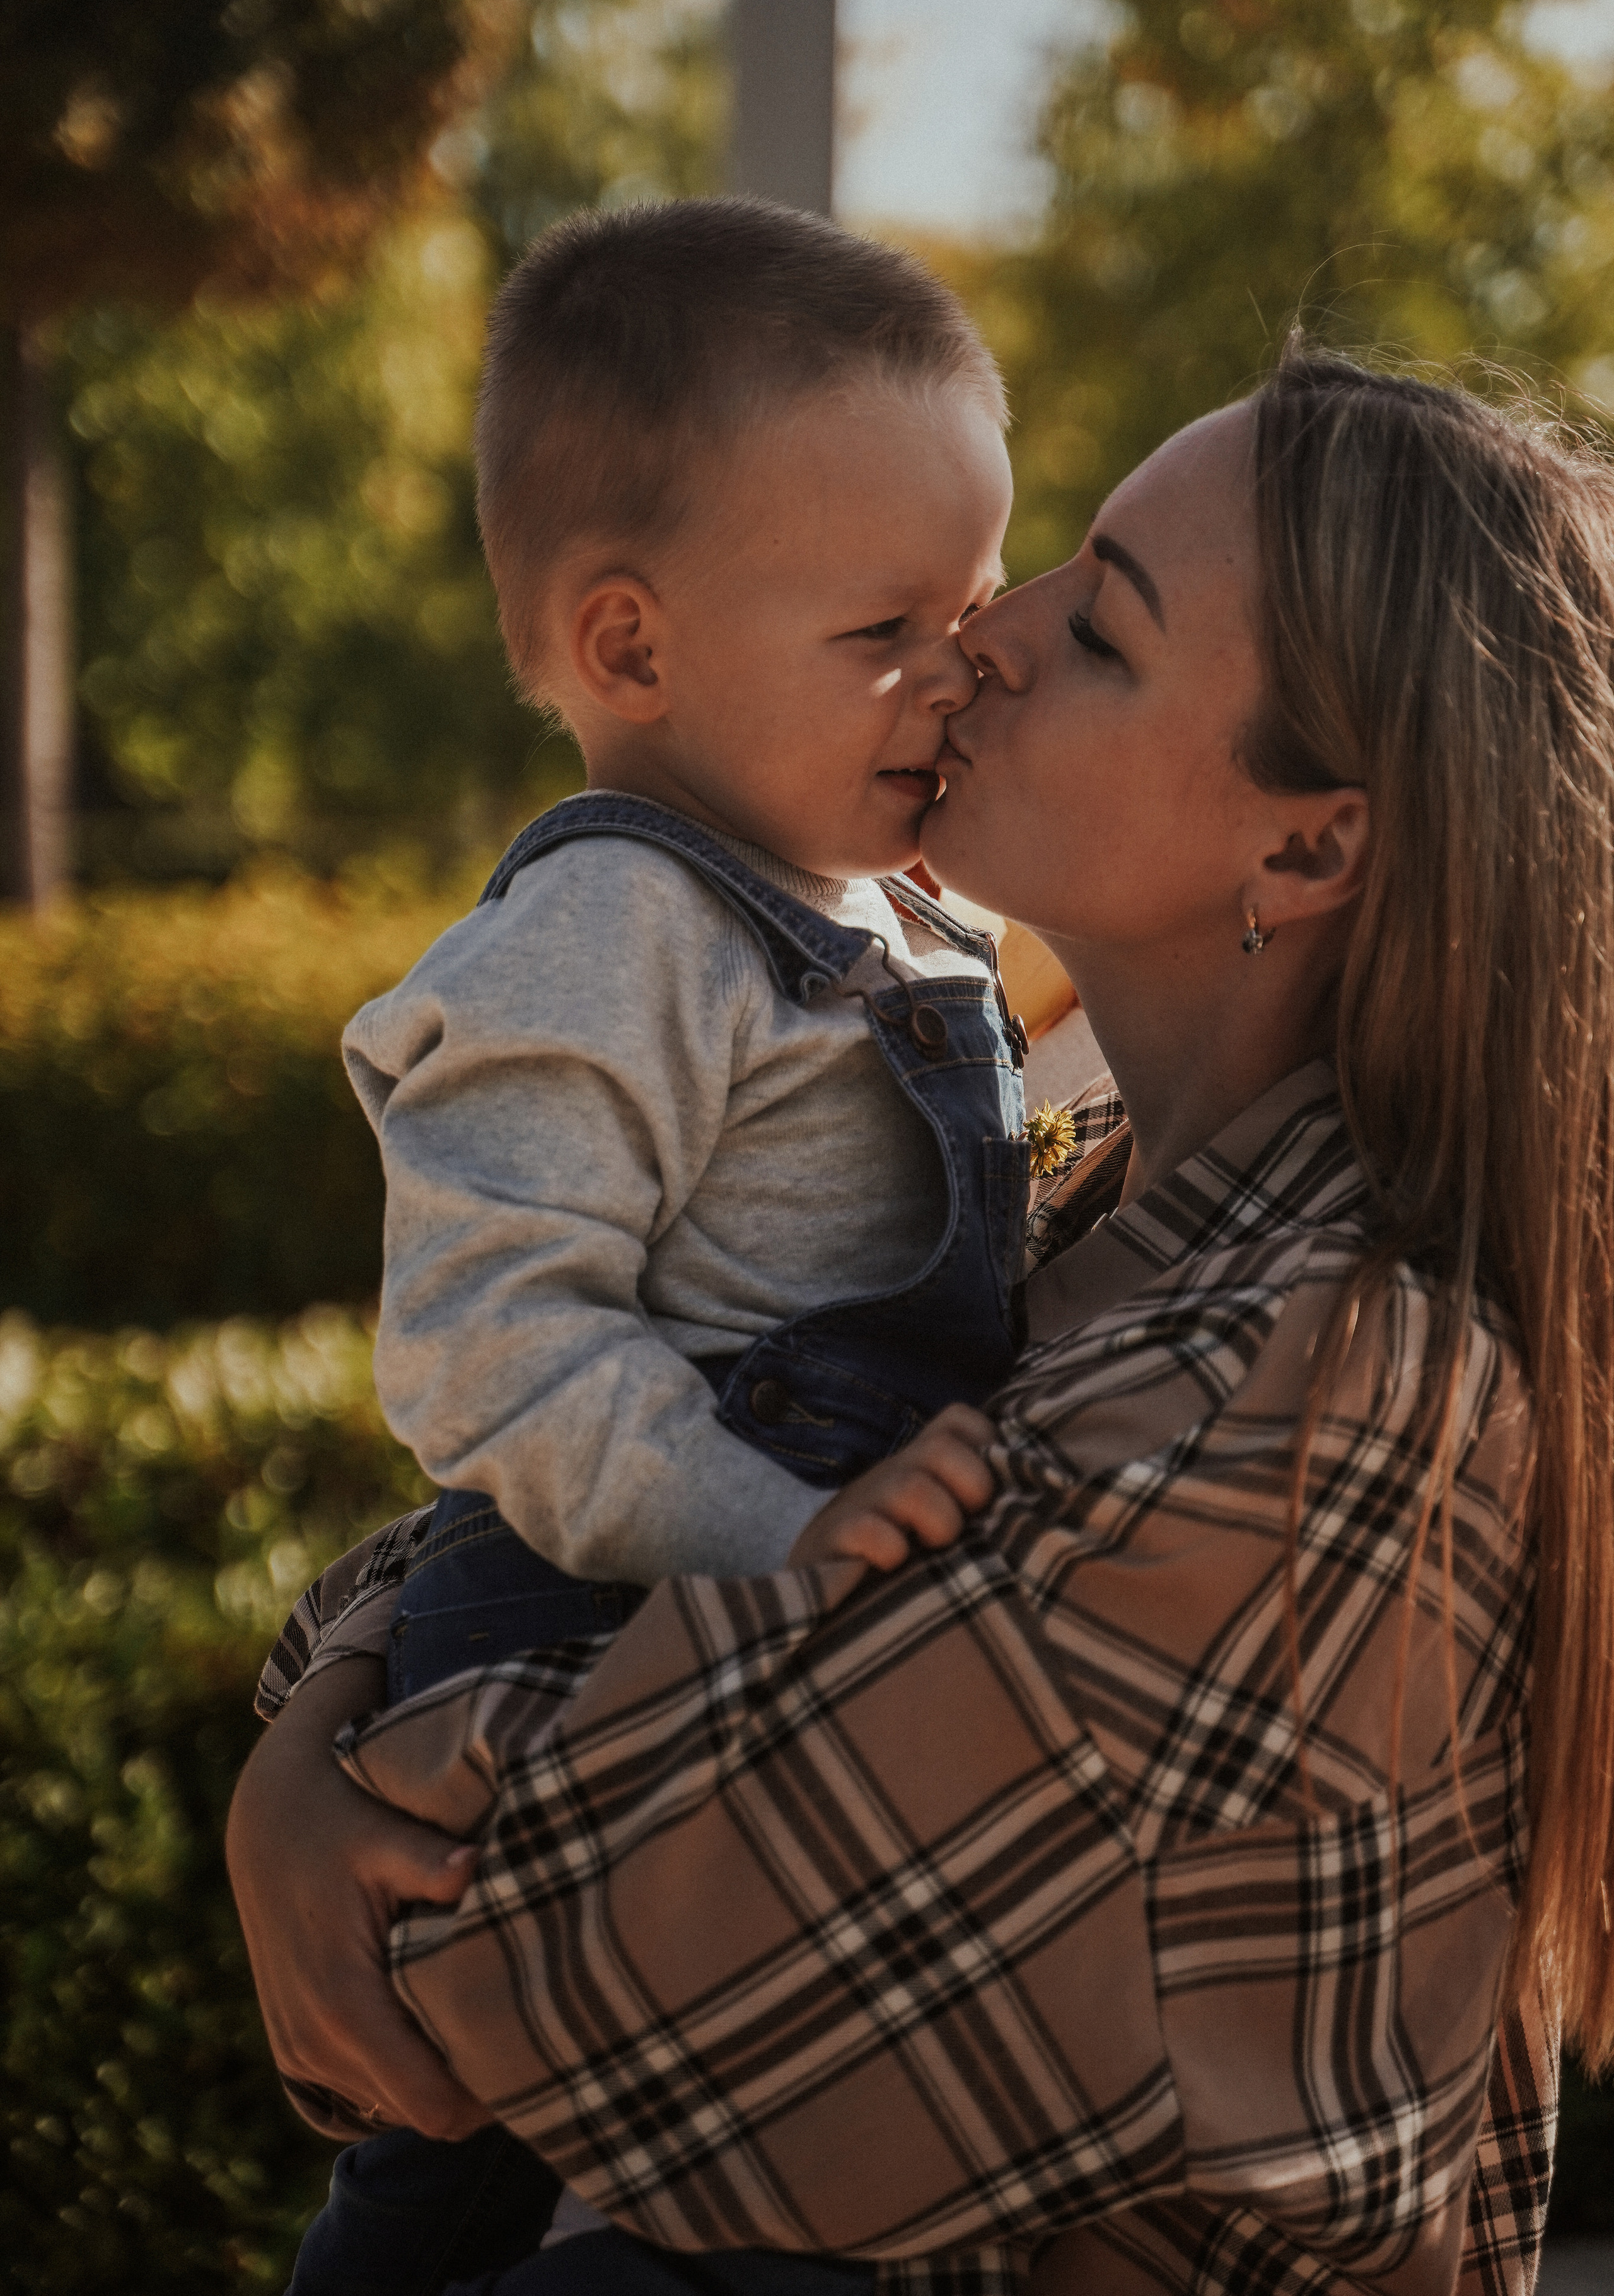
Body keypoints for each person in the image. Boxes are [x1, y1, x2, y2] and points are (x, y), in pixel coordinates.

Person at [229, 345, 1614, 2293]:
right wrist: (335, 1697)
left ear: (1304, 847)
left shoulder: (1321, 1379)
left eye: (1103, 631)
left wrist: (328, 1777)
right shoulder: (1096, 1198)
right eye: (1045, 569)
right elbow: (650, 1445)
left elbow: (573, 1947)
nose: (986, 641)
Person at [264, 196, 1034, 2294]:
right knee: (464, 2174)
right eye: (890, 628)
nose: (963, 672)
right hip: (584, 1637)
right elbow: (485, 1344)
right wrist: (773, 1532)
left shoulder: (889, 905)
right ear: (630, 647)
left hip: (732, 1629)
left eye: (981, 607)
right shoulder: (618, 930)